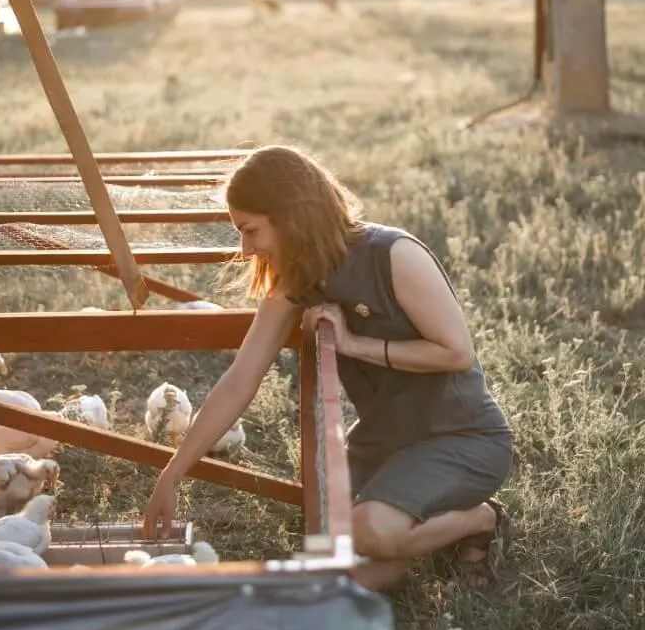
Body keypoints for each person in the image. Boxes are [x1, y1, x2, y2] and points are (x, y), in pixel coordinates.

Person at [143, 144, 513, 591]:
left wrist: (355, 344)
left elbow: (457, 354)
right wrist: (172, 472)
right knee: (336, 562)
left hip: (460, 436)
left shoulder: (393, 254)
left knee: (370, 529)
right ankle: (401, 534)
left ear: (291, 215)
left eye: (251, 230)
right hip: (384, 442)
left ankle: (482, 517)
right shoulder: (295, 280)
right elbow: (241, 378)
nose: (245, 248)